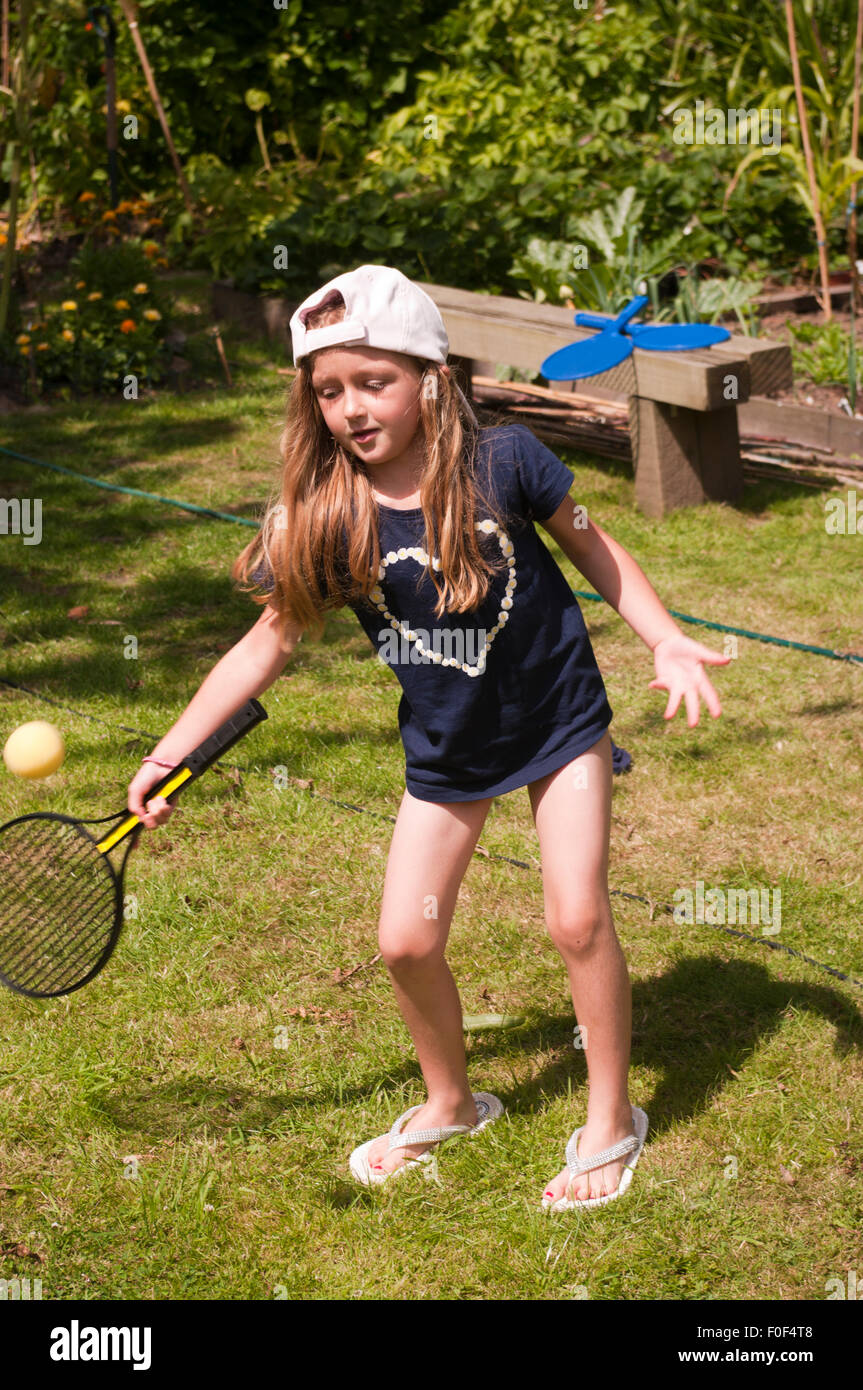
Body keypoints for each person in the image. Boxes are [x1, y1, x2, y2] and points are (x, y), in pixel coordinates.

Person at [126, 264, 729, 1211]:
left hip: (556, 722)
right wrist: (171, 752)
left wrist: (664, 639)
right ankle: (451, 1100)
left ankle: (610, 1118)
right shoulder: (327, 518)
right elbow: (263, 645)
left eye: (373, 382)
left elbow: (596, 546)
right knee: (406, 941)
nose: (352, 408)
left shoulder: (508, 463)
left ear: (430, 377)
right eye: (328, 391)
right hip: (448, 751)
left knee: (575, 917)